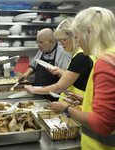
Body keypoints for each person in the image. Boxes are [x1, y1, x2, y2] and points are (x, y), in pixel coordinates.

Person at [51, 7, 115, 150]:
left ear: (89, 32)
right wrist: (85, 99)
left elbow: (103, 124)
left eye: (77, 37)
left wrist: (66, 108)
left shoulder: (106, 62)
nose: (77, 44)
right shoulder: (111, 56)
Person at [24, 18, 96, 110]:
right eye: (59, 41)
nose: (60, 44)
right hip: (77, 103)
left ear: (75, 36)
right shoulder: (80, 54)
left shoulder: (81, 56)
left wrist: (34, 90)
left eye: (63, 40)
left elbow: (59, 88)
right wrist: (60, 72)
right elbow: (80, 78)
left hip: (81, 108)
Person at [18, 28, 72, 101]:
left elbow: (64, 80)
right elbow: (34, 63)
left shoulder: (63, 54)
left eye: (40, 42)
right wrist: (26, 73)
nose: (38, 45)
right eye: (37, 42)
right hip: (38, 93)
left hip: (53, 96)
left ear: (51, 42)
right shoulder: (42, 50)